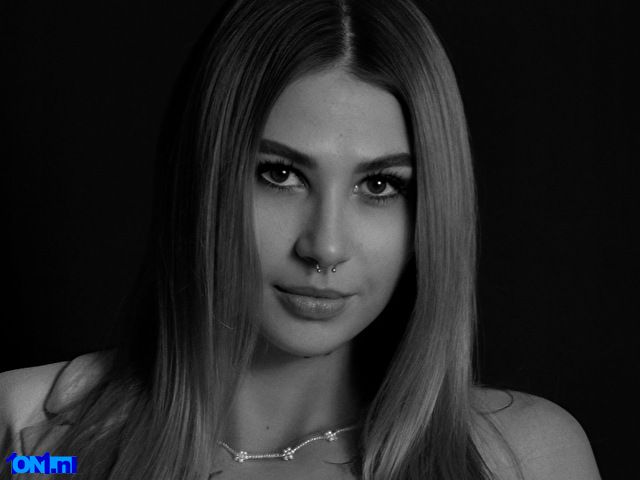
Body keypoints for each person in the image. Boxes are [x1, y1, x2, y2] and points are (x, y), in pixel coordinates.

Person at [0, 0, 601, 479]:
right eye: (280, 175)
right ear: (201, 179)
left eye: (380, 185)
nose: (325, 247)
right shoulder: (32, 441)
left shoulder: (521, 459)